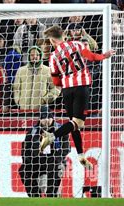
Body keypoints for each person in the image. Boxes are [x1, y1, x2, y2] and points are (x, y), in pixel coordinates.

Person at [44, 25, 115, 169]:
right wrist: (105, 56)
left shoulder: (52, 57)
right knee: (79, 123)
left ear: (52, 41)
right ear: (63, 35)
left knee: (73, 124)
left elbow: (55, 80)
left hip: (66, 90)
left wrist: (63, 81)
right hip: (81, 87)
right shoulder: (76, 44)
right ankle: (51, 136)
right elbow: (91, 56)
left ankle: (81, 155)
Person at [19, 105, 70, 197]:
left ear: (52, 118)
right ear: (39, 119)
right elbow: (25, 149)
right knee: (24, 170)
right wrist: (27, 162)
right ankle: (35, 196)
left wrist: (57, 159)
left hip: (54, 159)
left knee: (55, 168)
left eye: (48, 117)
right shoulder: (33, 131)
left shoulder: (61, 130)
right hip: (38, 160)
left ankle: (51, 195)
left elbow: (66, 148)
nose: (46, 120)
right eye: (43, 118)